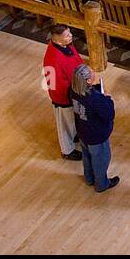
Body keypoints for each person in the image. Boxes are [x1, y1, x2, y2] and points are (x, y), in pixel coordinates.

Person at [70, 64, 119, 193]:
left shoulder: (73, 90)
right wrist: (109, 100)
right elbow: (109, 114)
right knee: (101, 159)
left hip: (82, 130)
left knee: (87, 156)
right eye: (92, 73)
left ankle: (89, 178)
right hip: (97, 135)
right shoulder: (95, 99)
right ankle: (101, 184)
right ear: (87, 81)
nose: (94, 74)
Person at [42, 24, 85, 161]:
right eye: (67, 35)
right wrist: (71, 96)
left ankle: (75, 135)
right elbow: (56, 83)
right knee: (65, 124)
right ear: (58, 41)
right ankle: (67, 150)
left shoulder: (66, 45)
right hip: (63, 97)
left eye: (70, 33)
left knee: (72, 120)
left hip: (75, 90)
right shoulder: (53, 58)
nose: (71, 36)